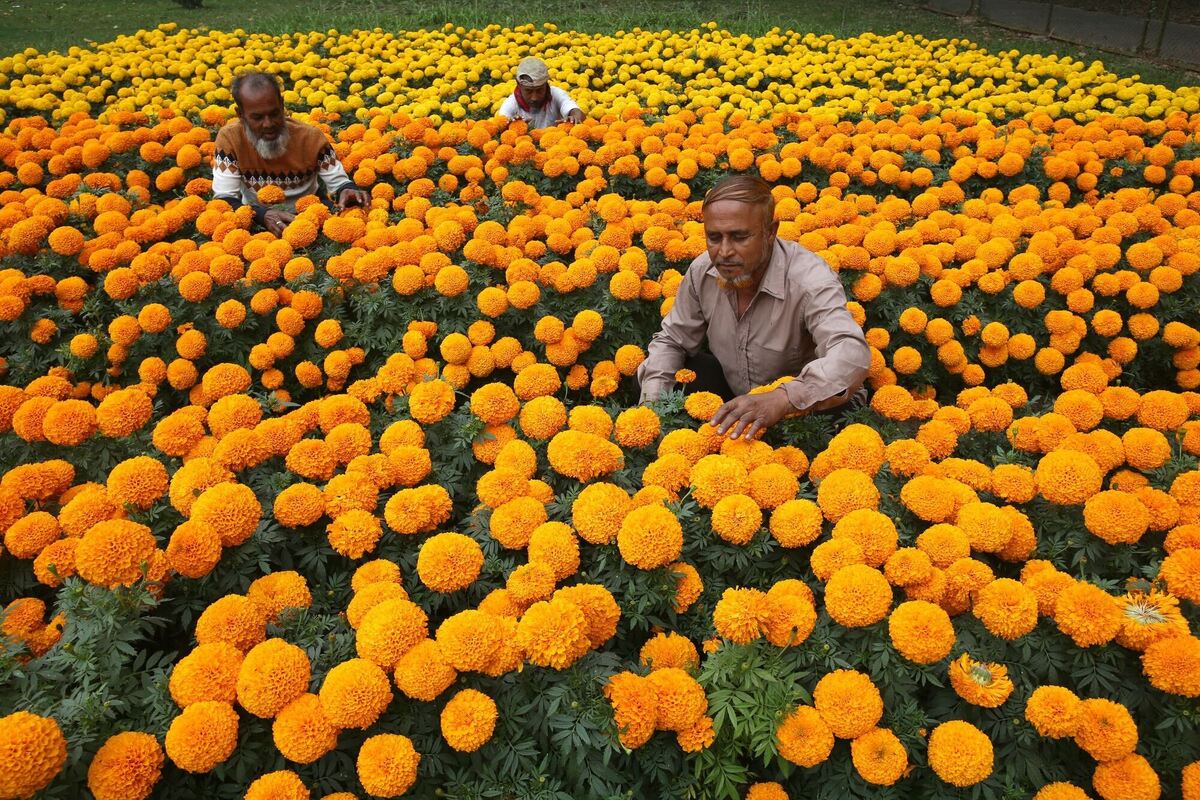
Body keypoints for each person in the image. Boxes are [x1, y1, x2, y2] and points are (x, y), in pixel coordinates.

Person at [637, 175, 871, 440]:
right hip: (738, 395)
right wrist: (652, 407)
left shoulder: (809, 279)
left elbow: (851, 353)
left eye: (739, 237)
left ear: (770, 231)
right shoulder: (703, 272)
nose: (724, 251)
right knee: (670, 371)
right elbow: (672, 340)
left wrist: (783, 398)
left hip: (805, 408)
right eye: (714, 237)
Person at [212, 72, 371, 236]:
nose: (268, 124)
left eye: (274, 113)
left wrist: (347, 190)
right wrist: (261, 215)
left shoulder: (310, 138)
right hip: (258, 221)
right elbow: (224, 200)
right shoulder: (230, 139)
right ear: (241, 115)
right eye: (257, 117)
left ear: (281, 105)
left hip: (312, 217)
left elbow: (338, 183)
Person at [497, 57, 584, 129]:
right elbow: (500, 126)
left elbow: (575, 111)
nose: (534, 97)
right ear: (518, 84)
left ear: (546, 84)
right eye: (528, 91)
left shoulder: (556, 94)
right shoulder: (510, 105)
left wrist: (575, 117)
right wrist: (509, 127)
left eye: (539, 90)